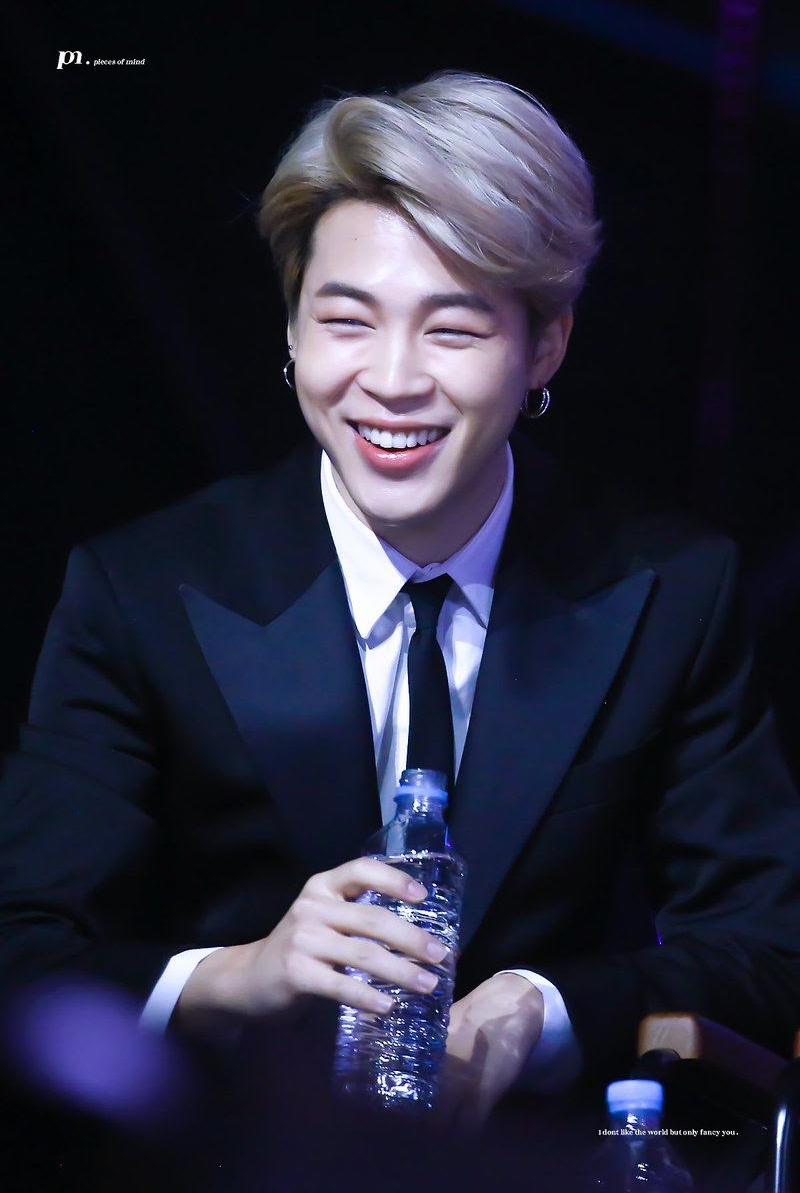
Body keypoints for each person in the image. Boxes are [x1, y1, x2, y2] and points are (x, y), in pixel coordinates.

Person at [1, 70, 799, 1137]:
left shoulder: (669, 588)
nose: (390, 379)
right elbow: (21, 949)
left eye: (451, 330)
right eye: (346, 320)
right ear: (292, 332)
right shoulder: (144, 589)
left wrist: (537, 1012)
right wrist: (238, 975)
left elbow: (768, 947)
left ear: (545, 344)